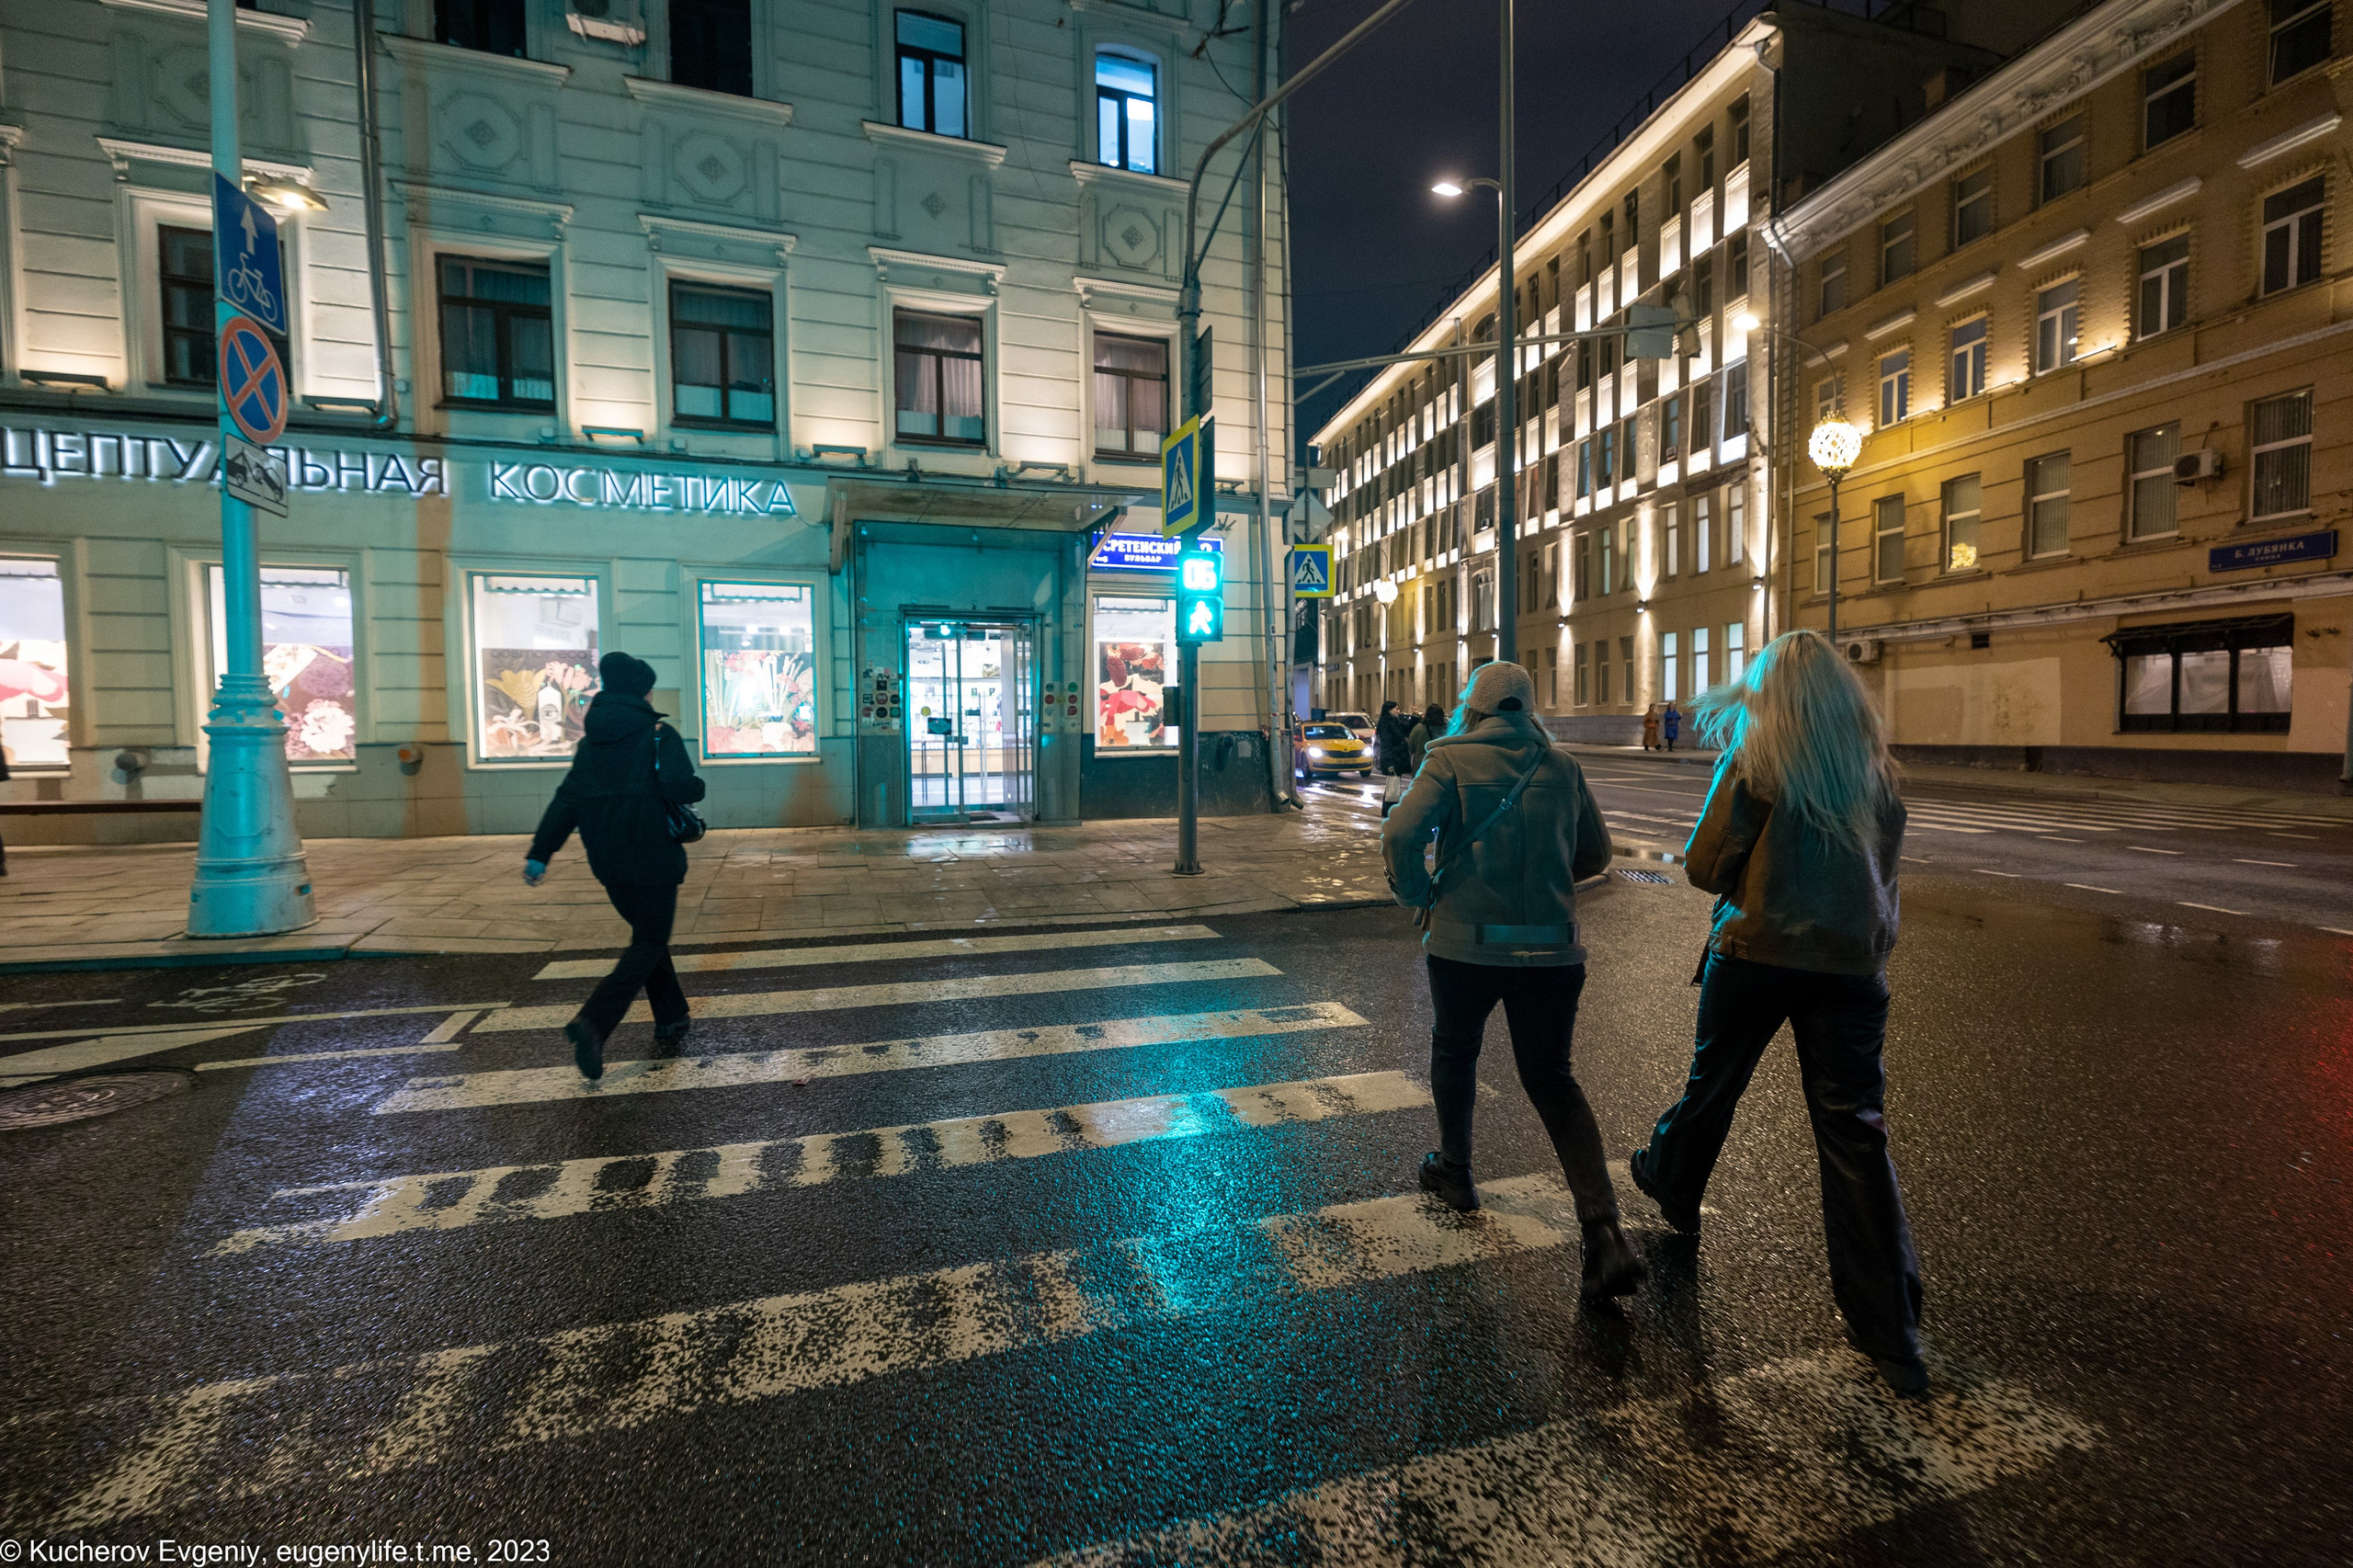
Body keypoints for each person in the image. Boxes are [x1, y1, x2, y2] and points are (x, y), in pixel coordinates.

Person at [1626, 630, 1926, 1392]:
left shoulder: (1758, 762)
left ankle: (1672, 1180)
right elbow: (1883, 879)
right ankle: (1891, 1330)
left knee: (1714, 1085)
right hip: (1852, 969)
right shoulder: (1876, 773)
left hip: (1757, 955)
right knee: (1856, 1133)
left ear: (1772, 697)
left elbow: (1702, 866)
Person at [1381, 661, 1643, 1305]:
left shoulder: (1448, 757)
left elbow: (1401, 833)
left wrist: (1421, 895)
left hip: (1465, 944)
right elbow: (1598, 856)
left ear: (1474, 706)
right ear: (1528, 708)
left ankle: (1457, 1172)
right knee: (1552, 1079)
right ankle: (1605, 1231)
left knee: (1456, 1050)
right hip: (1552, 951)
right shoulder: (1561, 766)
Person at [524, 651, 708, 1082]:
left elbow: (565, 801)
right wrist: (696, 784)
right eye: (648, 688)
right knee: (648, 941)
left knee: (648, 935)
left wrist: (540, 853)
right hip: (654, 856)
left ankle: (672, 1014)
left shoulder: (589, 746)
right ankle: (594, 1022)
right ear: (641, 692)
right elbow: (684, 787)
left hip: (606, 861)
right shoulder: (659, 735)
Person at [1373, 699, 1411, 776]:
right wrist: (1389, 763)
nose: (1399, 711)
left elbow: (1407, 729)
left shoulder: (1396, 722)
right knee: (1393, 784)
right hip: (1394, 759)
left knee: (1395, 783)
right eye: (1396, 709)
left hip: (1397, 758)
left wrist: (1415, 716)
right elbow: (1386, 744)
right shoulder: (1386, 724)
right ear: (1389, 710)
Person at [1404, 703, 1446, 774]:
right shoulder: (1448, 729)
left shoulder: (1418, 728)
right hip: (1442, 765)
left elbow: (1410, 747)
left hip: (1422, 765)